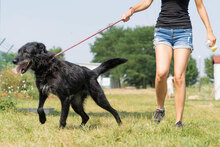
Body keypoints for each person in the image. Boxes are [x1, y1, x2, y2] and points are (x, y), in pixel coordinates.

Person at [122, 0, 216, 127]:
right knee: (161, 73)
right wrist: (131, 10)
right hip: (162, 30)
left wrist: (209, 30)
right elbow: (147, 2)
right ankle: (160, 108)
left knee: (179, 76)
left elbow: (200, 7)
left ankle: (178, 121)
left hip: (183, 31)